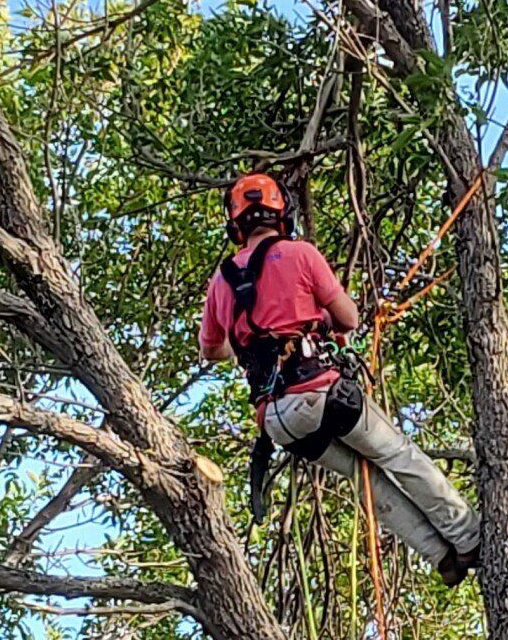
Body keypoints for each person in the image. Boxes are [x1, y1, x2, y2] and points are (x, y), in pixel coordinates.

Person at [199, 171, 481, 586]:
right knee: (397, 455)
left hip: (277, 421)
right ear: (281, 213)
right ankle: (469, 538)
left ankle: (441, 557)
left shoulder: (221, 281)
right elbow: (348, 318)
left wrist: (252, 342)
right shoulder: (300, 254)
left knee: (363, 476)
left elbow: (213, 349)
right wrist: (320, 320)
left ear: (236, 223)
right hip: (321, 391)